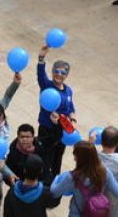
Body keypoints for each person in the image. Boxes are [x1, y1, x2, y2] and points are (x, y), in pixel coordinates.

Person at [50, 140, 118, 216]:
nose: (74, 158)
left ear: (79, 158)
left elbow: (54, 192)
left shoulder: (72, 177)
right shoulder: (104, 172)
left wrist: (57, 178)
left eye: (75, 155)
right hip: (96, 212)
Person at [36, 46, 77, 181]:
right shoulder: (47, 86)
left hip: (62, 130)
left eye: (63, 72)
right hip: (47, 130)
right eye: (56, 71)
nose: (59, 74)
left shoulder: (68, 90)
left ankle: (55, 181)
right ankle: (43, 182)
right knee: (45, 157)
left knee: (58, 157)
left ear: (67, 75)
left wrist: (73, 121)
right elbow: (41, 74)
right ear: (52, 72)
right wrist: (41, 58)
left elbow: (71, 108)